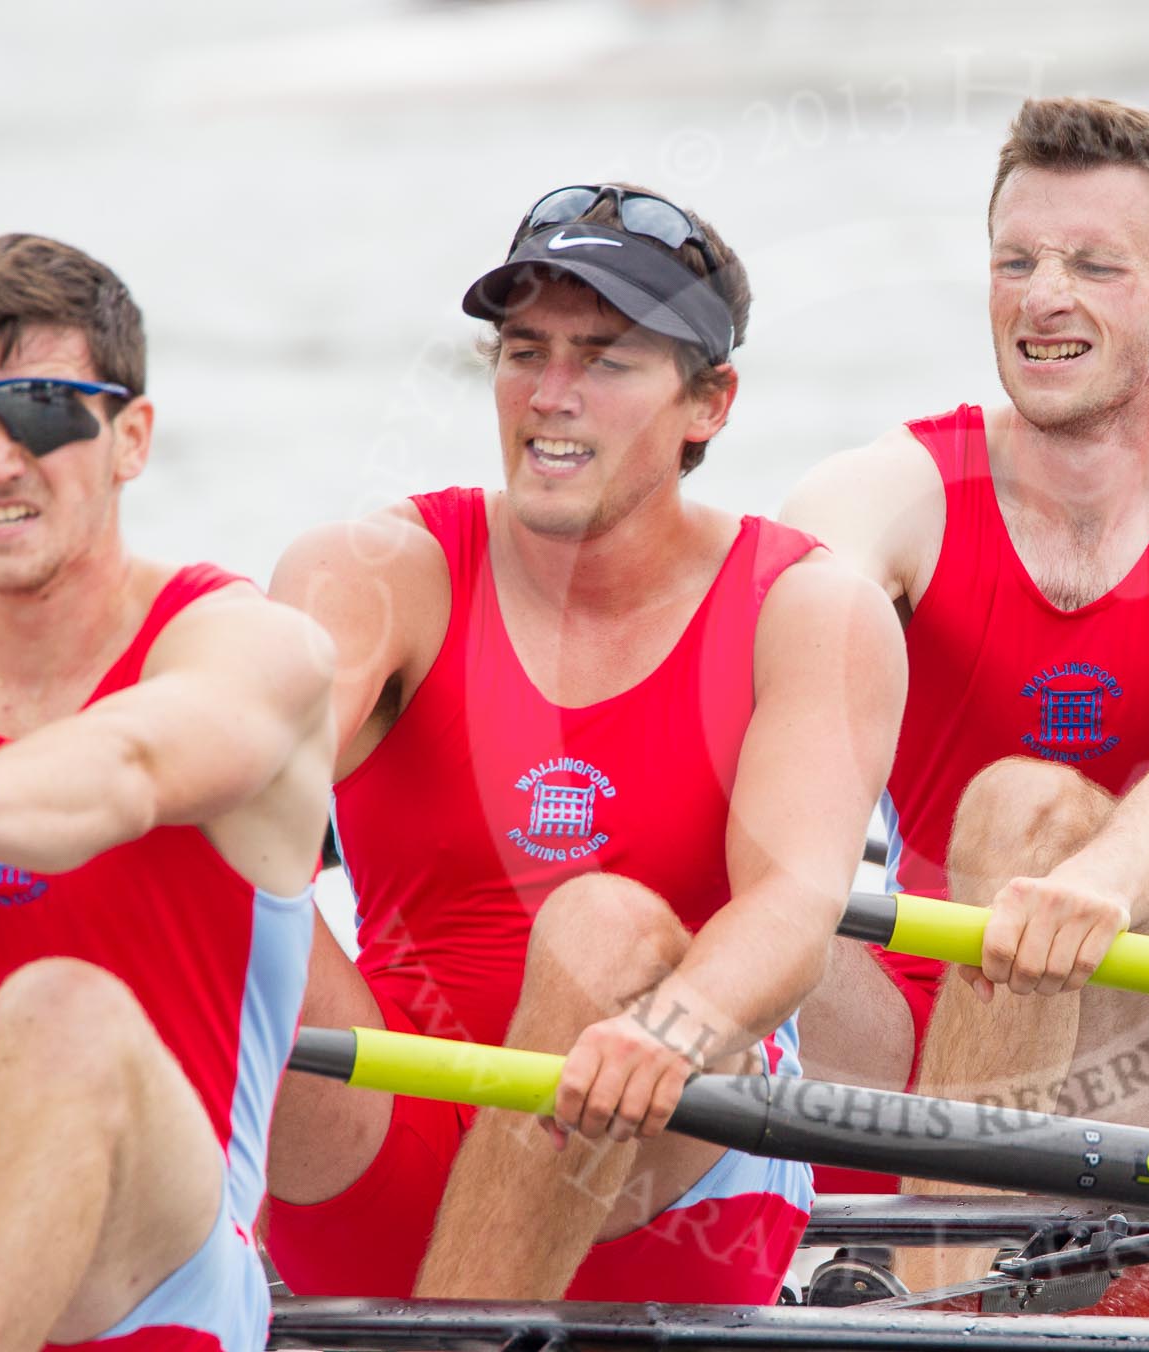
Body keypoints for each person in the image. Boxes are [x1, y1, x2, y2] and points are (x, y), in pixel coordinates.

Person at [262, 185, 904, 1304]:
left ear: (709, 403)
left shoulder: (806, 607)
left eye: (606, 360)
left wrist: (674, 1021)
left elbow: (795, 910)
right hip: (380, 1141)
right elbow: (247, 786)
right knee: (221, 859)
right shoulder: (373, 569)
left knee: (600, 922)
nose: (550, 396)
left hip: (657, 1156)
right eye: (525, 351)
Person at [784, 98, 1149, 1285]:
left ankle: (930, 1299)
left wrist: (1091, 882)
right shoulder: (882, 486)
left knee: (1026, 811)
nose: (1044, 294)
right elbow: (749, 638)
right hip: (915, 1011)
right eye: (1017, 261)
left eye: (1095, 265)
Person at [0, 235, 334, 1352]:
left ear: (131, 439)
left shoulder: (254, 648)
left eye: (47, 412)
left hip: (153, 1278)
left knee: (65, 1011)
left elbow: (127, 768)